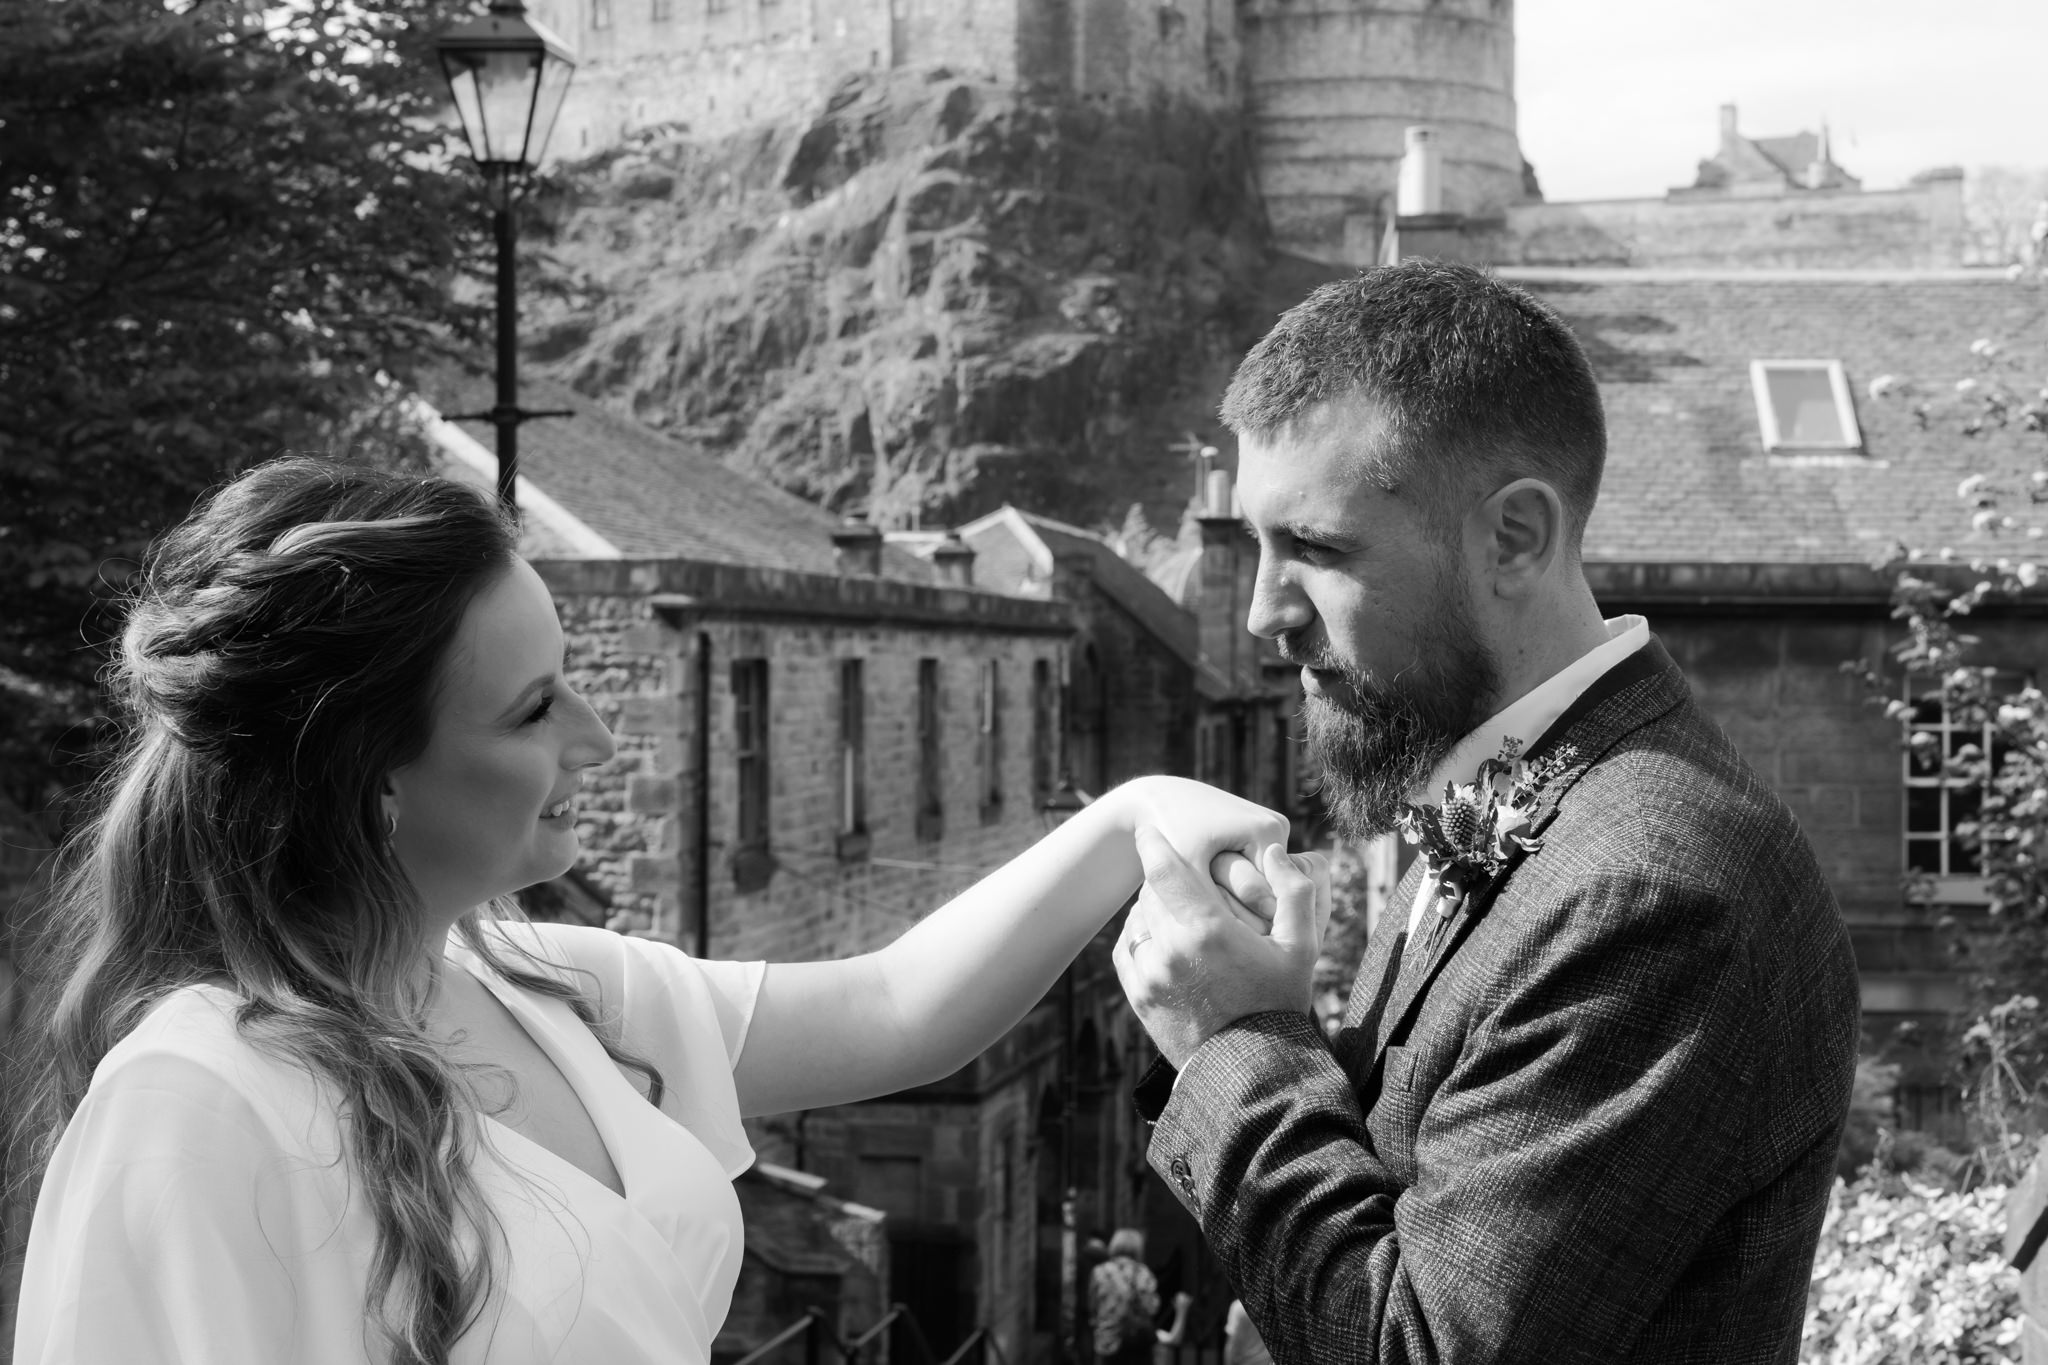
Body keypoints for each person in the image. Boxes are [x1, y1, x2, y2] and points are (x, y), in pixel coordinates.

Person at [8, 457, 1301, 1365]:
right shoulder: (189, 1107)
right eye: (530, 709)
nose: (595, 734)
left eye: (568, 677)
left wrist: (1131, 816)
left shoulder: (532, 980)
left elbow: (892, 1009)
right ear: (370, 779)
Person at [1113, 261, 1861, 1363]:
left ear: (1513, 538)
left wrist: (1234, 1042)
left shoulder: (1655, 894)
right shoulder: (1503, 779)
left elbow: (1421, 1345)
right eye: (1257, 545)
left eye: (1315, 550)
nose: (1267, 612)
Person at [1088, 1228, 1160, 1365]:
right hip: (1138, 1342)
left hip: (1107, 1340)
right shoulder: (1143, 1272)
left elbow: (1092, 1308)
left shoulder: (1099, 1272)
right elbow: (1151, 1308)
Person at [1222, 1299, 1271, 1365]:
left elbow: (1231, 1344)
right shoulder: (1268, 1305)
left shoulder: (1238, 1307)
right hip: (1266, 1362)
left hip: (1245, 1362)